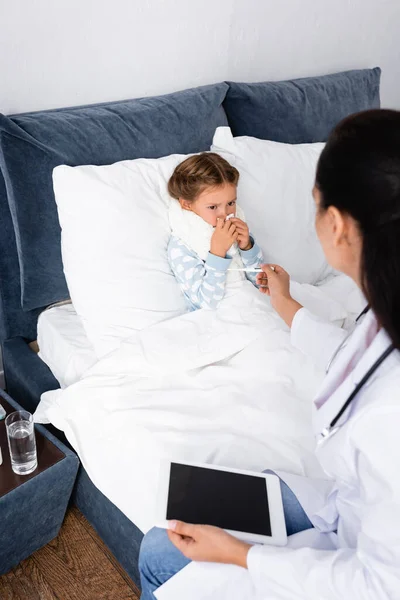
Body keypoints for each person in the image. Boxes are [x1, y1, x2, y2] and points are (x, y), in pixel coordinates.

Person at [139, 109, 400, 599]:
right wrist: (283, 301)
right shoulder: (379, 320)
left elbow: (381, 584)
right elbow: (351, 356)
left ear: (338, 226)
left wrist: (240, 556)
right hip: (346, 507)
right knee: (184, 519)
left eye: (315, 202)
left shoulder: (391, 416)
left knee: (160, 556)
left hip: (356, 566)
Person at [167, 153, 264, 310]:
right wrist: (217, 253)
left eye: (231, 203)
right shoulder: (182, 245)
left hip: (251, 304)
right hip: (217, 319)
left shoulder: (236, 227)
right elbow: (206, 304)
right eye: (213, 207)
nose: (225, 214)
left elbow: (260, 283)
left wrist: (247, 247)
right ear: (187, 204)